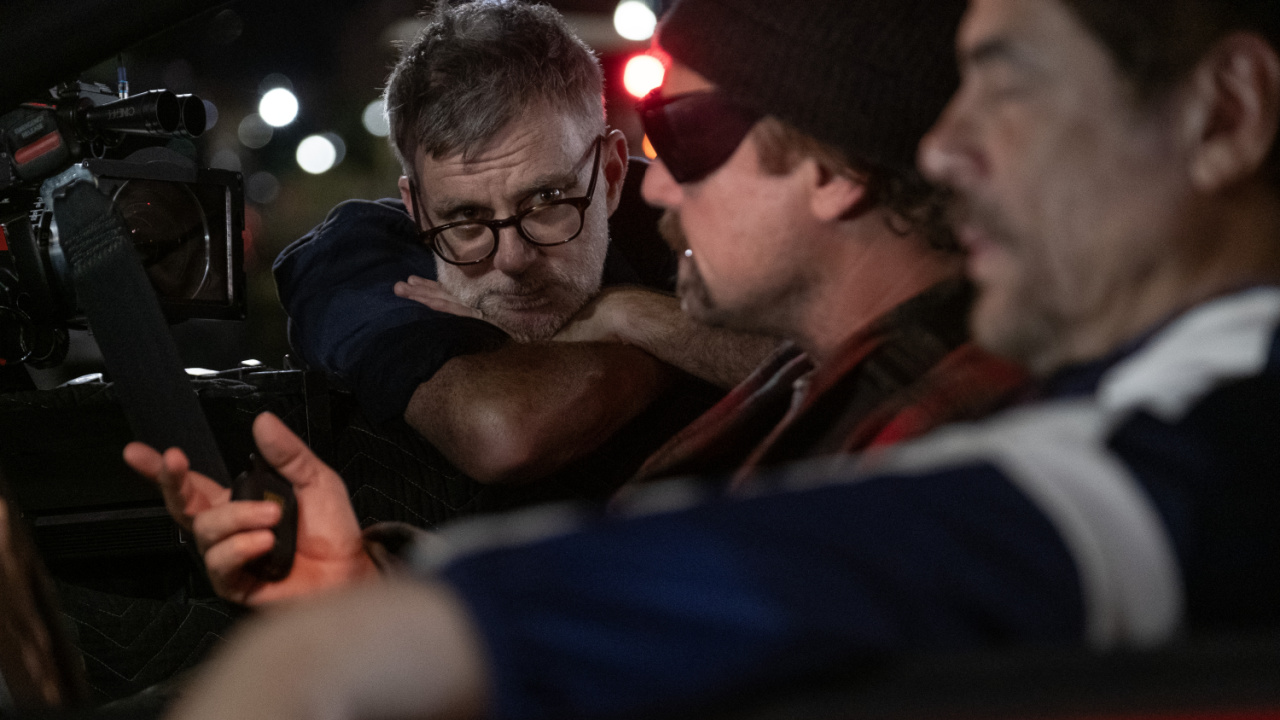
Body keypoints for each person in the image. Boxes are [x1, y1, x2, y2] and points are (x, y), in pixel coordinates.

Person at [136, 0, 1280, 717]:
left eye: (1013, 84)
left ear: (1225, 114)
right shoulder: (811, 372)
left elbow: (1039, 511)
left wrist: (426, 631)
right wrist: (380, 588)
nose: (942, 145)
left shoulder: (1124, 423)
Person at [274, 0, 774, 489]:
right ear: (416, 206)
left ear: (613, 176)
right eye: (465, 218)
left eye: (546, 200)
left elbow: (840, 349)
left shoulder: (673, 211)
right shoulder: (356, 257)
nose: (513, 260)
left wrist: (625, 311)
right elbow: (502, 437)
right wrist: (672, 337)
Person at [623, 0, 1025, 491]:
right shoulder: (811, 380)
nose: (654, 186)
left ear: (833, 173)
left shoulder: (938, 464)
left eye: (681, 132)